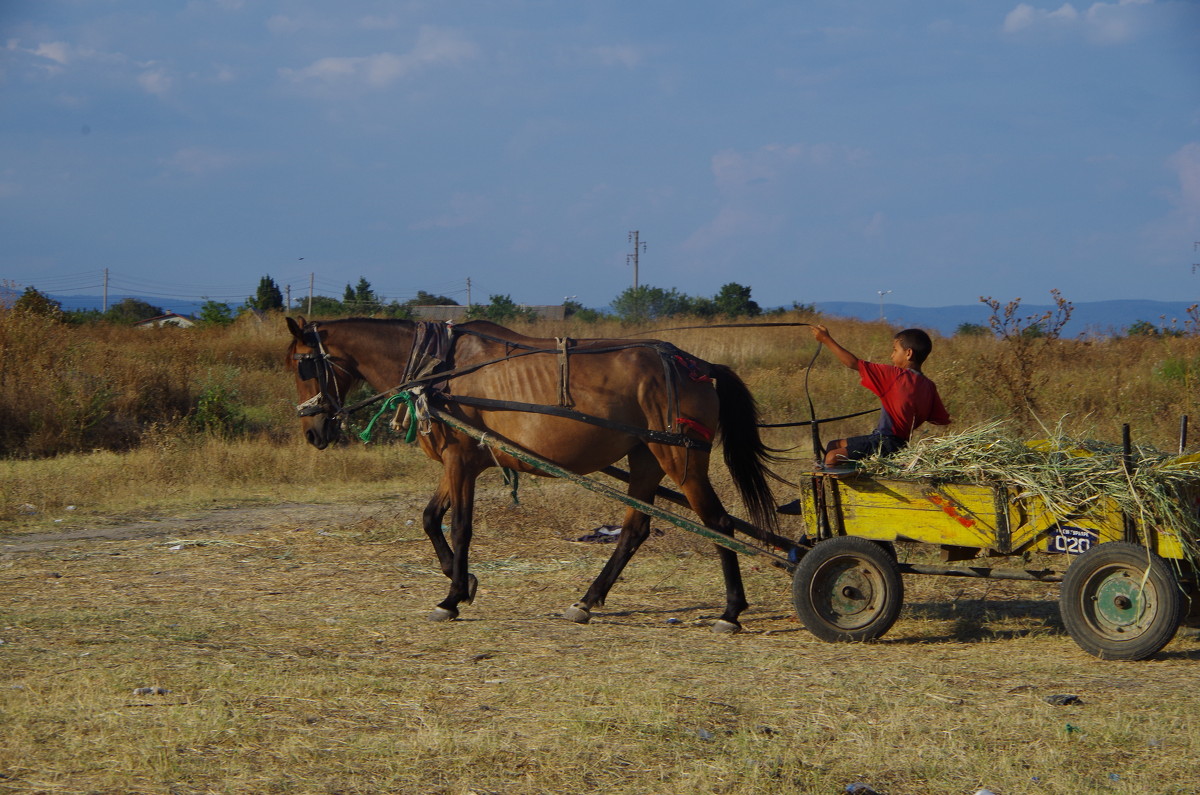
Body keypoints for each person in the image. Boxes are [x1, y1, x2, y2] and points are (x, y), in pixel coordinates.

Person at [809, 324, 950, 468]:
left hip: (886, 443)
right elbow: (941, 420)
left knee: (832, 457)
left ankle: (832, 489)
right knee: (833, 445)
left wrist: (826, 339)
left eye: (895, 350)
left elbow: (853, 363)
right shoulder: (929, 385)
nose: (892, 355)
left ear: (908, 353)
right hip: (897, 442)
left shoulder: (896, 376)